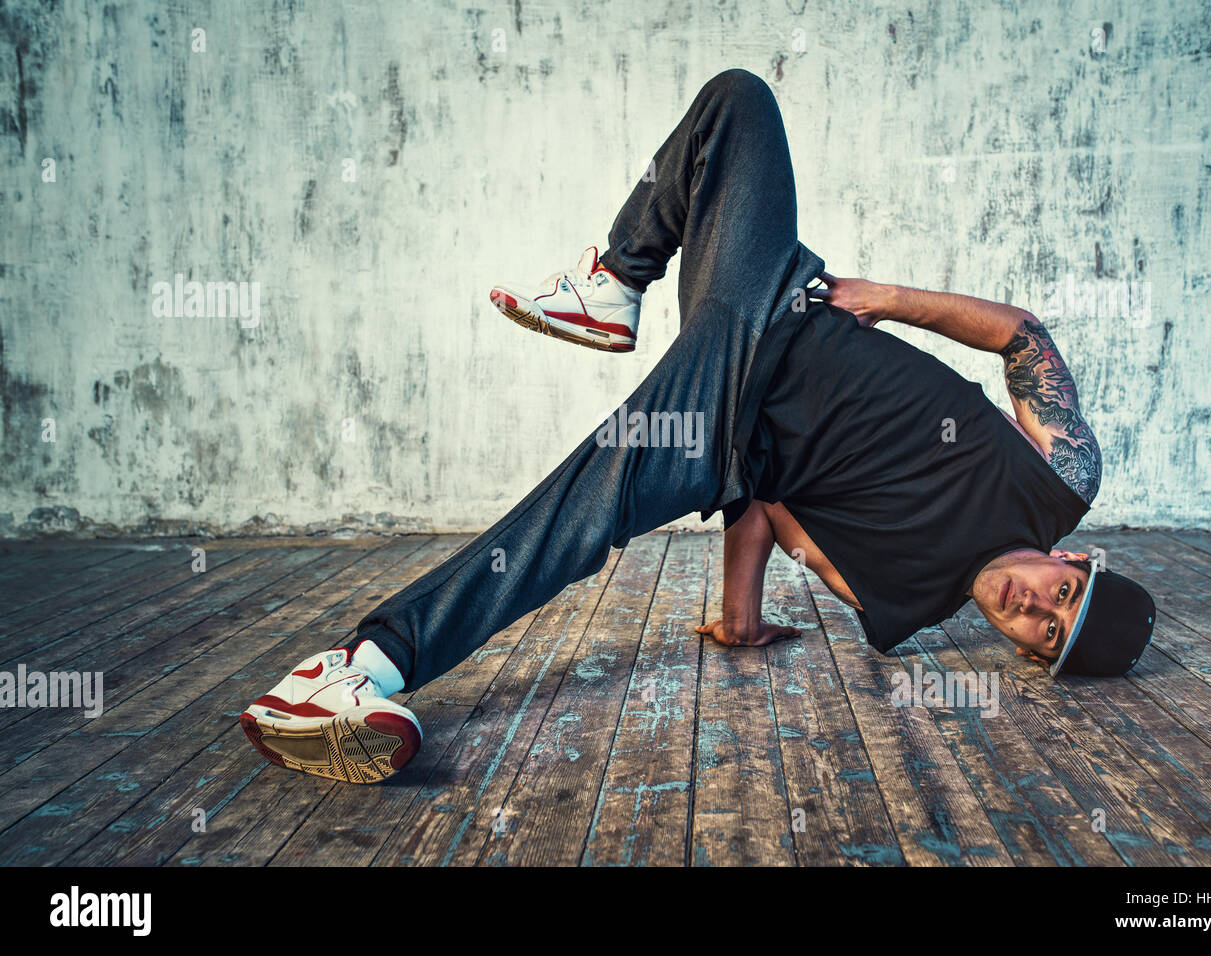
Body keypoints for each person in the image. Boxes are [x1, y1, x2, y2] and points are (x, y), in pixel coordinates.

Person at [240, 69, 1156, 785]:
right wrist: (885, 298)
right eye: (1061, 599)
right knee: (737, 104)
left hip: (716, 426)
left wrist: (739, 614)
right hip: (780, 297)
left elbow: (777, 509)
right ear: (1071, 563)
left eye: (1041, 639)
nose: (1033, 611)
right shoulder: (1060, 479)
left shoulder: (904, 610)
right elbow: (1021, 337)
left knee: (575, 518)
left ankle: (365, 667)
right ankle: (617, 278)